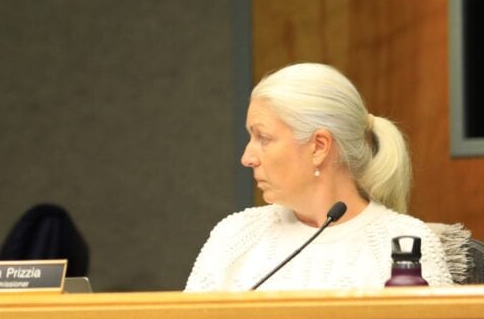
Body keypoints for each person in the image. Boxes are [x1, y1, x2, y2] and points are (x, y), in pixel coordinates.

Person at [185, 63, 452, 291]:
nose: (247, 157)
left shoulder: (407, 243)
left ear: (319, 146)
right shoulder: (234, 235)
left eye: (263, 138)